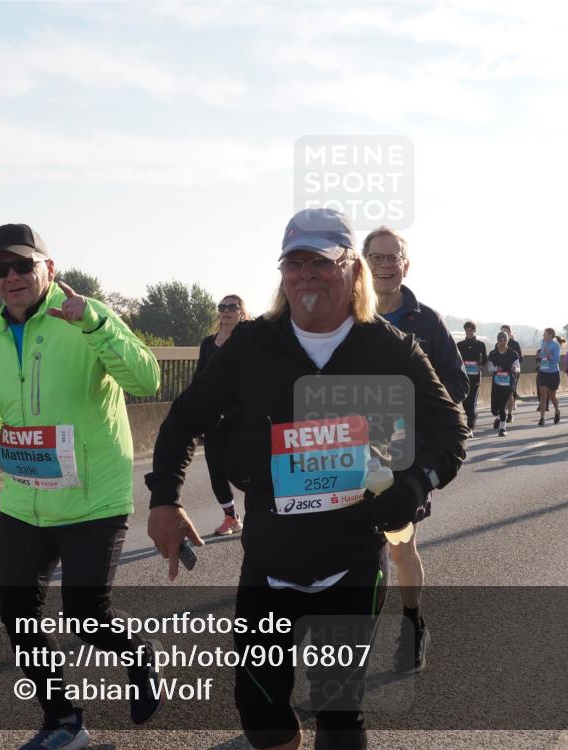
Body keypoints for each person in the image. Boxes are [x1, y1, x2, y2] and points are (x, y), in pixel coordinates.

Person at [145, 208, 467, 750]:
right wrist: (164, 501)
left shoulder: (387, 347)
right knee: (259, 711)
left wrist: (416, 483)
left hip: (351, 563)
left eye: (321, 261)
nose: (306, 274)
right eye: (294, 263)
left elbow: (450, 428)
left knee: (339, 714)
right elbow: (183, 419)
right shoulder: (251, 345)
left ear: (353, 271)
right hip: (270, 561)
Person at [0, 224, 163, 749]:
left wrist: (93, 322)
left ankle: (139, 654)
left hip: (93, 497)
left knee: (87, 617)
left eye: (23, 265)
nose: (12, 277)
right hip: (24, 499)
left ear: (49, 268)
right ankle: (63, 721)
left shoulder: (86, 316)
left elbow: (148, 380)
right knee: (20, 621)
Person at [362, 226, 468, 677]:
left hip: (404, 460)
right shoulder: (343, 314)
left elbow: (458, 385)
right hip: (350, 455)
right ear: (361, 263)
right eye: (377, 257)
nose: (385, 265)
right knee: (354, 555)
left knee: (399, 547)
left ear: (406, 265)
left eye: (393, 258)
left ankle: (412, 623)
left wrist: (410, 412)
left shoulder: (427, 322)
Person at [199, 295, 249, 535]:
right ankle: (231, 517)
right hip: (212, 419)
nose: (226, 311)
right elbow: (199, 379)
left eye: (232, 307)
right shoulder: (208, 344)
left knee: (239, 470)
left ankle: (263, 509)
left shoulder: (248, 341)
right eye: (222, 307)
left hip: (240, 419)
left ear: (241, 312)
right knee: (216, 470)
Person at [488, 331, 521, 436]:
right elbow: (489, 368)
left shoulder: (513, 354)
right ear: (497, 341)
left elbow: (518, 368)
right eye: (500, 340)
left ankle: (503, 429)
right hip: (496, 383)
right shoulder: (493, 354)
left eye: (505, 340)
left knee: (502, 407)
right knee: (494, 409)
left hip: (508, 383)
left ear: (507, 340)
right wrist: (495, 368)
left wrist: (514, 368)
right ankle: (497, 417)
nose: (502, 342)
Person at [457, 321, 488, 429]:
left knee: (472, 399)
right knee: (465, 402)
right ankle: (472, 415)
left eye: (470, 330)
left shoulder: (480, 345)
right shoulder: (459, 345)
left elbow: (485, 358)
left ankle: (470, 427)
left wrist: (481, 366)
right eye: (466, 330)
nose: (468, 332)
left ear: (474, 331)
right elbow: (456, 359)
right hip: (463, 377)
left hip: (475, 377)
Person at [536, 328, 564, 426]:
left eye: (545, 333)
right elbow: (543, 356)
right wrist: (540, 358)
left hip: (553, 373)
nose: (543, 335)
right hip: (543, 372)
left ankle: (557, 411)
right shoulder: (543, 343)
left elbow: (556, 360)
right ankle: (542, 418)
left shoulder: (556, 346)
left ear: (551, 335)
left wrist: (548, 355)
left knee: (552, 396)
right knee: (543, 396)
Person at [501, 324, 523, 420]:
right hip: (501, 373)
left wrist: (514, 366)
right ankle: (503, 410)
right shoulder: (497, 344)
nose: (503, 334)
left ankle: (510, 411)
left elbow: (520, 358)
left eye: (505, 331)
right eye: (501, 331)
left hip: (513, 372)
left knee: (511, 390)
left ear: (510, 333)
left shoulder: (515, 344)